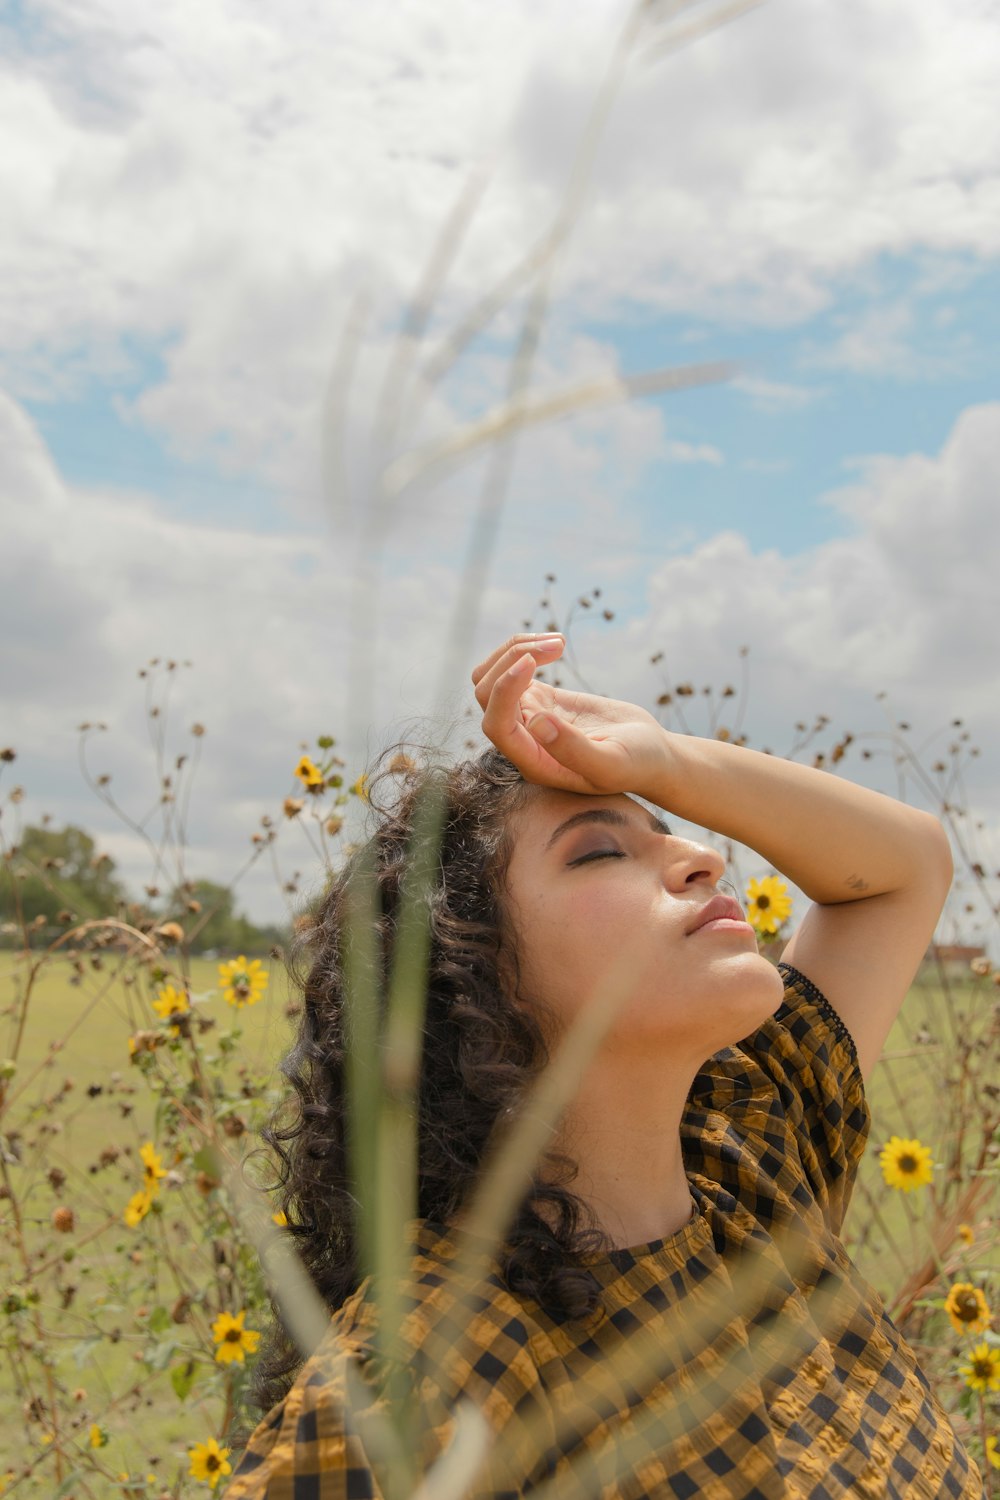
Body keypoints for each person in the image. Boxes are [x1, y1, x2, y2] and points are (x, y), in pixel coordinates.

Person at [225, 633, 985, 1499]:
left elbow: (904, 868)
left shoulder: (751, 1152)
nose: (706, 858)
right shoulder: (439, 1357)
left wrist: (661, 758)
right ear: (470, 974)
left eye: (668, 833)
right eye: (599, 851)